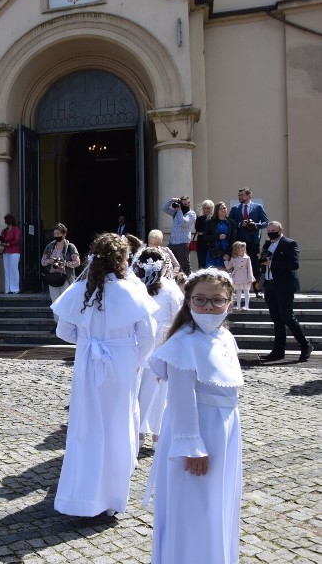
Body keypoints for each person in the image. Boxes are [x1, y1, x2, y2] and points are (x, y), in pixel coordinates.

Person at [50, 233, 157, 517]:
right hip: (120, 362)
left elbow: (63, 331)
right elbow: (148, 335)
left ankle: (82, 495)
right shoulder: (131, 291)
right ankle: (111, 498)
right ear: (123, 259)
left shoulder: (80, 290)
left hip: (88, 361)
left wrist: (88, 340)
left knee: (86, 423)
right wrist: (134, 359)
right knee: (117, 425)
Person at [145, 269, 243, 564]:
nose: (208, 307)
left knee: (217, 504)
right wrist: (192, 447)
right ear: (188, 302)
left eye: (217, 300)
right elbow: (180, 399)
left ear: (229, 303)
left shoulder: (225, 337)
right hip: (196, 434)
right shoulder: (183, 343)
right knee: (194, 506)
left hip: (223, 432)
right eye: (200, 300)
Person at [132, 248, 184, 446]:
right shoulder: (170, 289)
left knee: (137, 387)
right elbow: (178, 317)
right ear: (162, 266)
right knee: (159, 390)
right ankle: (156, 433)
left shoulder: (135, 287)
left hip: (138, 343)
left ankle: (137, 430)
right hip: (162, 343)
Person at [259, 221, 312, 362]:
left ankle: (305, 345)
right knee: (276, 319)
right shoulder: (267, 244)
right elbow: (265, 261)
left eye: (273, 230)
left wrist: (272, 263)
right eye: (268, 230)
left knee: (287, 316)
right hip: (270, 285)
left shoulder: (289, 243)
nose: (270, 232)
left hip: (284, 286)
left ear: (280, 230)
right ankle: (278, 351)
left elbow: (294, 264)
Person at [229, 188, 268, 296]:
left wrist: (256, 225)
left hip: (253, 242)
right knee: (236, 266)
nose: (240, 197)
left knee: (255, 266)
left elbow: (266, 222)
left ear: (249, 195)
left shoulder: (258, 207)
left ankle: (258, 290)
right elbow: (230, 223)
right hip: (239, 242)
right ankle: (236, 291)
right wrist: (240, 224)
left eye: (242, 195)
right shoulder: (235, 208)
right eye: (239, 195)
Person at [41, 223, 81, 329]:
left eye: (59, 233)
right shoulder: (49, 247)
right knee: (55, 302)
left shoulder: (70, 247)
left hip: (65, 277)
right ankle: (57, 324)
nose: (57, 235)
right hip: (52, 277)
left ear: (64, 234)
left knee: (66, 302)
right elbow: (43, 262)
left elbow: (77, 262)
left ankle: (68, 324)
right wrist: (50, 261)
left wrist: (65, 263)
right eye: (55, 233)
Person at [162, 195, 196, 275]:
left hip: (182, 244)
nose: (182, 206)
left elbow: (183, 223)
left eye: (185, 204)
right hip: (172, 243)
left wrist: (180, 210)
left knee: (184, 266)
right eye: (181, 203)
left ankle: (188, 283)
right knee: (170, 264)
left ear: (189, 204)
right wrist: (171, 200)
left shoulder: (191, 214)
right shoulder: (176, 212)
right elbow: (164, 209)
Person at [200, 202, 236, 270]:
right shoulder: (210, 221)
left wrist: (229, 253)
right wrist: (217, 237)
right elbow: (205, 237)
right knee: (212, 274)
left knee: (224, 274)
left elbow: (233, 239)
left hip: (226, 251)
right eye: (220, 208)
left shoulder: (231, 222)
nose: (223, 210)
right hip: (214, 252)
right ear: (216, 210)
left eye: (224, 208)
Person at [225, 241, 254, 311]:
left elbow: (250, 268)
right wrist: (226, 260)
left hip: (245, 276)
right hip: (236, 276)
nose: (243, 251)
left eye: (244, 250)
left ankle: (246, 306)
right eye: (241, 250)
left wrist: (250, 277)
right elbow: (228, 267)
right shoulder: (233, 258)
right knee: (238, 292)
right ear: (236, 250)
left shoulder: (247, 258)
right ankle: (238, 305)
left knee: (246, 291)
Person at [0, 214, 21, 294]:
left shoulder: (16, 229)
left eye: (5, 220)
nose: (4, 222)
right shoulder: (4, 231)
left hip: (14, 251)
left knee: (14, 270)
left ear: (9, 220)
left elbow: (17, 240)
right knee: (7, 270)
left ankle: (15, 288)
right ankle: (7, 289)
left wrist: (8, 244)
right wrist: (2, 242)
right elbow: (2, 239)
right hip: (6, 251)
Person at [193, 200, 214, 270]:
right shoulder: (200, 218)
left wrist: (204, 232)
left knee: (212, 264)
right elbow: (198, 229)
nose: (206, 210)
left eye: (208, 208)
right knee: (202, 263)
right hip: (201, 243)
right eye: (204, 208)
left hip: (212, 243)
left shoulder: (214, 218)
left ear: (212, 208)